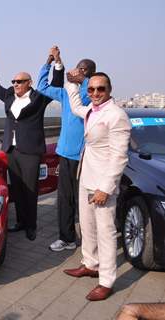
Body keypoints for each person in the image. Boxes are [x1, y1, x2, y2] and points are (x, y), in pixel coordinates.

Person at [64, 71, 131, 301]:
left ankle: (107, 280)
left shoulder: (116, 115)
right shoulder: (92, 110)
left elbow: (119, 156)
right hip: (86, 177)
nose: (95, 93)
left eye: (100, 89)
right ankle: (90, 264)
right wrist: (72, 84)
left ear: (109, 90)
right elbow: (75, 107)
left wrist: (106, 187)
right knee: (87, 225)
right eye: (91, 89)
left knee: (106, 232)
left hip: (102, 182)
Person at [0, 50, 54, 241]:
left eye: (19, 81)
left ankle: (31, 225)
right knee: (17, 189)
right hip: (11, 150)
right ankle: (21, 221)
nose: (15, 84)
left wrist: (54, 64)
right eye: (14, 81)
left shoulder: (39, 98)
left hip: (30, 151)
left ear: (29, 82)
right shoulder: (9, 95)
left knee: (30, 189)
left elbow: (55, 85)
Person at [36, 46, 96, 252]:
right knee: (65, 199)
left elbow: (89, 86)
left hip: (86, 155)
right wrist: (50, 61)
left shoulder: (92, 93)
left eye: (82, 69)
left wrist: (82, 80)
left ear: (87, 74)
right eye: (77, 68)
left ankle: (91, 241)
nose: (76, 71)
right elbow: (41, 87)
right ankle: (67, 238)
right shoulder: (64, 93)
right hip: (66, 154)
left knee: (86, 202)